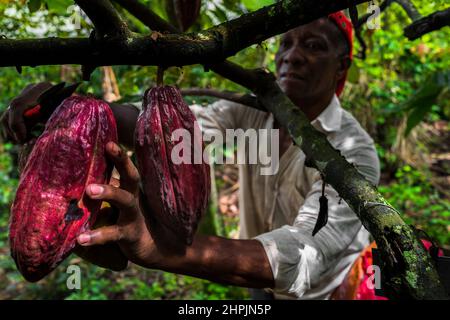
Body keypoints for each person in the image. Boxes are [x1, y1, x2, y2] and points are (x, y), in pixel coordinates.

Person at [1, 12, 380, 300]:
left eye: (314, 46)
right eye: (287, 43)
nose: (293, 57)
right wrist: (62, 105)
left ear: (341, 66)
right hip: (257, 287)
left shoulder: (353, 153)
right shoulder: (250, 114)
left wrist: (160, 250)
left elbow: (306, 257)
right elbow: (171, 135)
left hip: (326, 294)